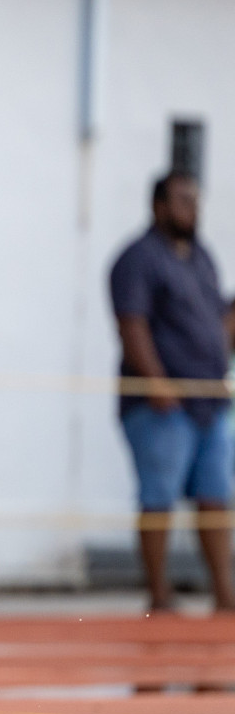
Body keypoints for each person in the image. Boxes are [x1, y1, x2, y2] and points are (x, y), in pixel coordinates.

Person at [110, 171, 235, 613]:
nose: (193, 209)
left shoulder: (201, 258)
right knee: (159, 496)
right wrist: (155, 380)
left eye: (197, 200)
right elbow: (133, 323)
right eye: (184, 200)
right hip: (161, 405)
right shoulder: (138, 258)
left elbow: (218, 321)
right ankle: (159, 593)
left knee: (216, 497)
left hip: (210, 403)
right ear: (160, 205)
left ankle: (224, 593)